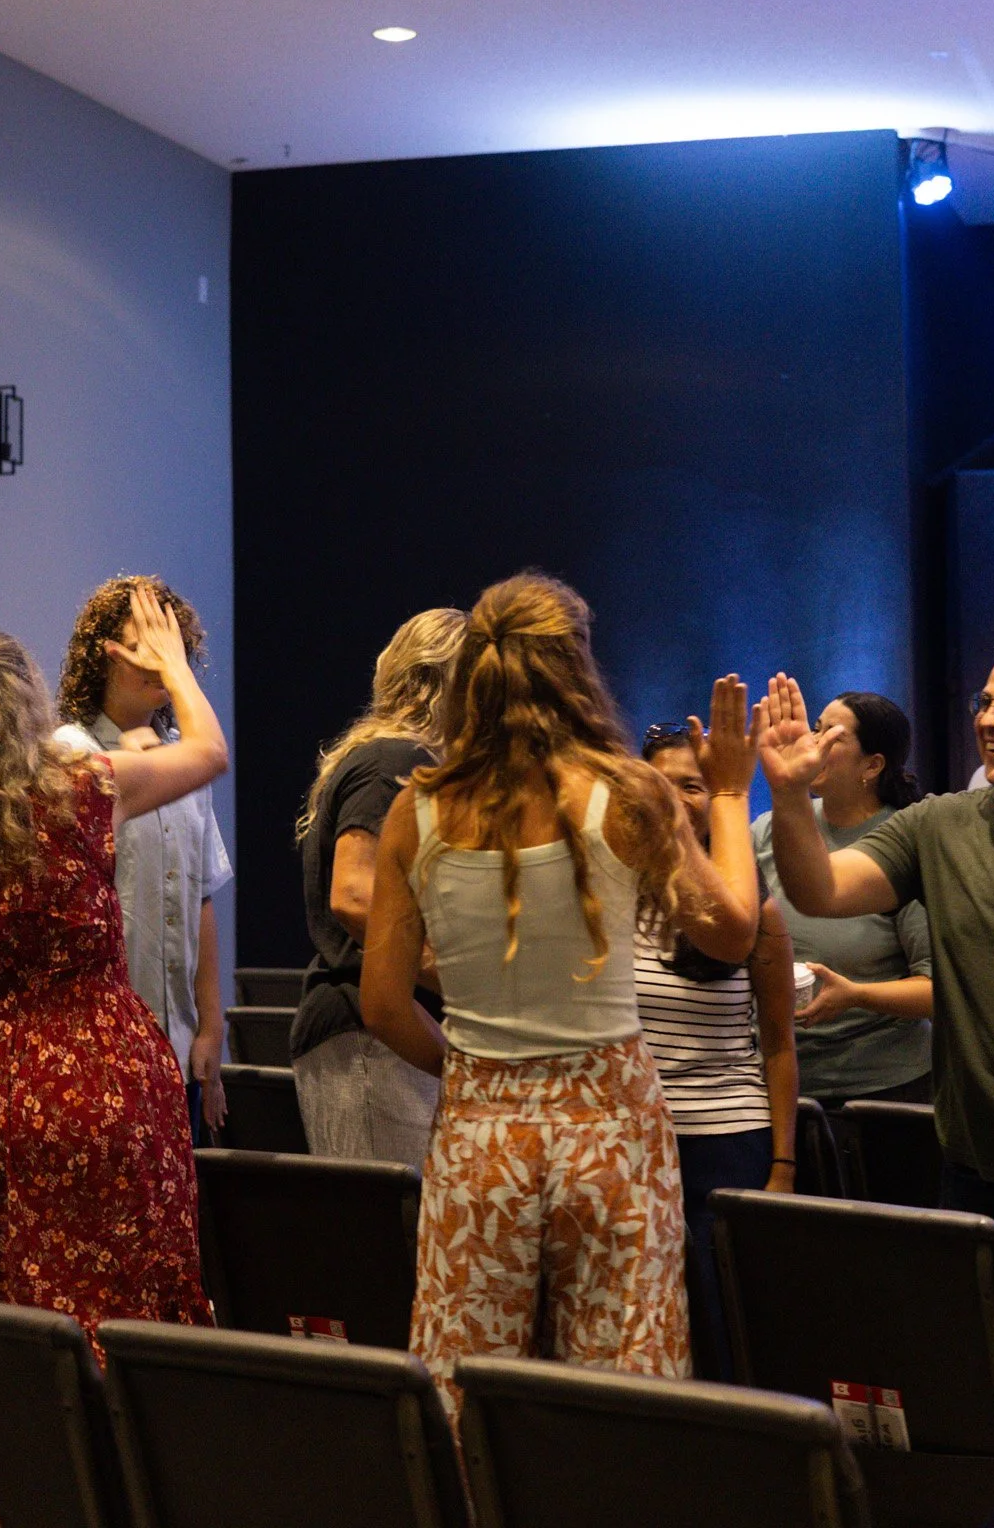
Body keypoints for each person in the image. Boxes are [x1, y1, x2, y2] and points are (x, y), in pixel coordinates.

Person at [360, 573, 762, 1425]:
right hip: (612, 1126)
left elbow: (384, 1006)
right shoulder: (628, 794)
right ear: (577, 668)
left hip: (480, 1133)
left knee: (465, 1388)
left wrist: (474, 1076)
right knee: (619, 1390)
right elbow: (731, 933)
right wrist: (727, 794)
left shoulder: (417, 811)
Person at [758, 642, 994, 1406]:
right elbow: (820, 889)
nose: (988, 720)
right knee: (981, 1401)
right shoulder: (937, 824)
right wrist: (790, 796)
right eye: (983, 704)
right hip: (972, 1171)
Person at [0, 586, 227, 1359]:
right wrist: (175, 669)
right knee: (123, 1311)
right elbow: (210, 752)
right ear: (30, 703)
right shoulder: (84, 789)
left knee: (7, 1319)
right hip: (102, 1084)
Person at [635, 720, 798, 1373]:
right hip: (636, 1144)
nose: (675, 800)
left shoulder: (755, 913)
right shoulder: (608, 896)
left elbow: (779, 1044)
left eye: (693, 786)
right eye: (660, 785)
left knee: (723, 1331)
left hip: (726, 1144)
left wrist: (782, 1167)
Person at [56, 576, 233, 1139]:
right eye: (146, 643)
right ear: (104, 653)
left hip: (178, 1048)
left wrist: (210, 1029)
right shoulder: (69, 757)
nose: (162, 658)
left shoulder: (186, 759)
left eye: (172, 645)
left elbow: (200, 896)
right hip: (101, 1053)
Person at [290, 608, 466, 1164]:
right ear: (447, 683)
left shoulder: (382, 756)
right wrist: (458, 977)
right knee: (388, 1240)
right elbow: (355, 896)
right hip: (371, 1039)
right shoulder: (398, 758)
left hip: (373, 1037)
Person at [752, 692, 932, 1127]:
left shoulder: (904, 844)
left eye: (832, 735)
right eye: (816, 727)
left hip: (882, 1091)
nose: (814, 743)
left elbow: (938, 990)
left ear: (872, 766)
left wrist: (856, 995)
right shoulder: (766, 831)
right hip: (777, 1082)